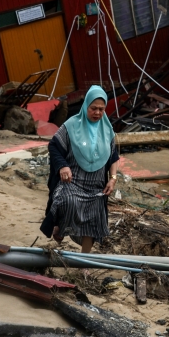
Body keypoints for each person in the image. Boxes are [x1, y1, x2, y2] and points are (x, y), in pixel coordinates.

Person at [39, 85, 120, 255]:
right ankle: (60, 227)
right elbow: (54, 146)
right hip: (73, 181)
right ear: (86, 106)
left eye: (101, 109)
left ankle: (85, 260)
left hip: (96, 186)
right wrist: (62, 165)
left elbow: (114, 157)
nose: (97, 113)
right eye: (93, 108)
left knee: (94, 214)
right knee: (66, 200)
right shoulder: (71, 125)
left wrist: (112, 179)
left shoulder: (107, 130)